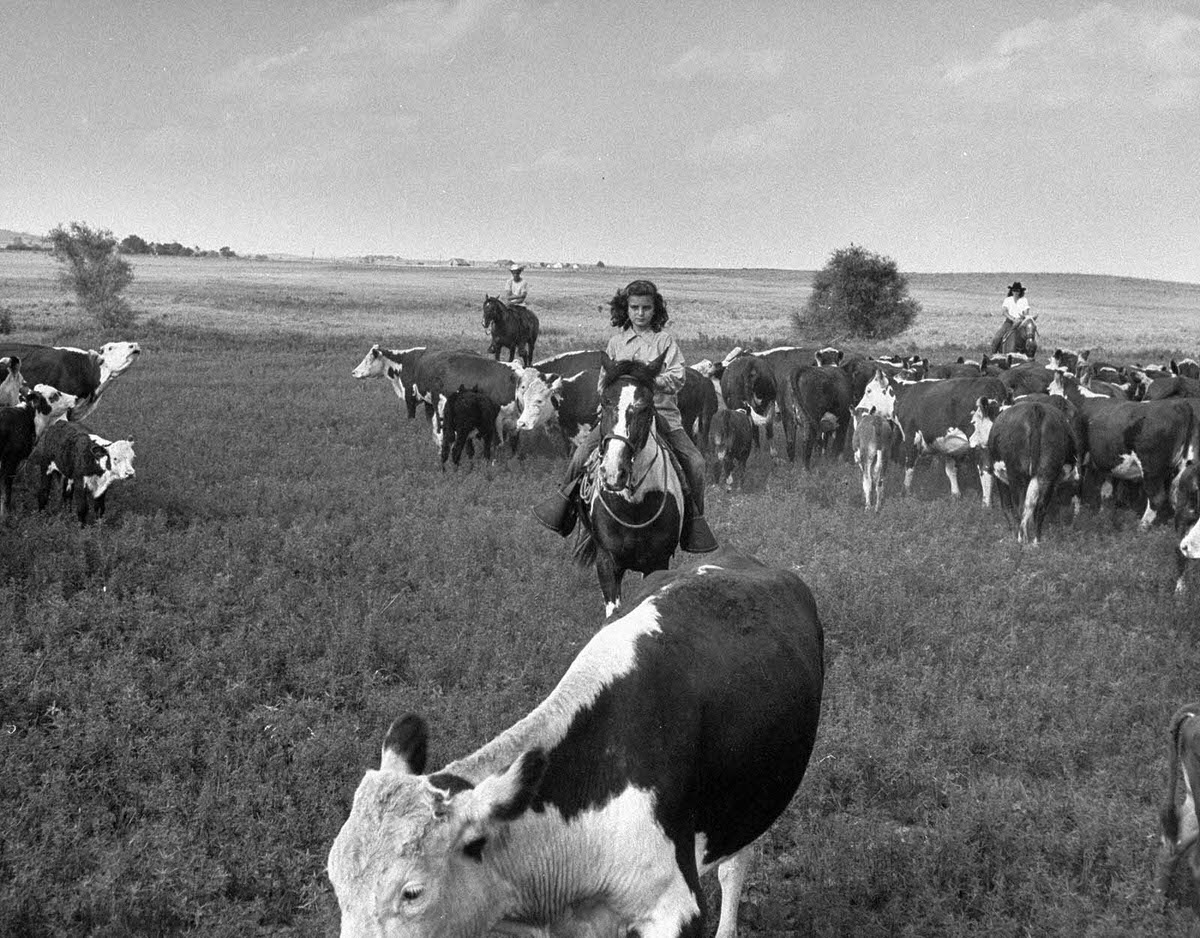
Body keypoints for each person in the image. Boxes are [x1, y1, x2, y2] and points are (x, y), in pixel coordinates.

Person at [531, 279, 717, 553]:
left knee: (696, 462)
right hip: (619, 415)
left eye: (646, 308)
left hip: (659, 412)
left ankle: (692, 524)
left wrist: (650, 383)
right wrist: (616, 397)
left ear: (655, 310)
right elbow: (603, 383)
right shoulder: (616, 343)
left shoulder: (664, 342)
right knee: (583, 452)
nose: (640, 313)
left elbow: (678, 376)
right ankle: (565, 506)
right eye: (634, 308)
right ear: (625, 309)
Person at [991, 280, 1031, 353]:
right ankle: (993, 355)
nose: (1016, 292)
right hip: (1009, 322)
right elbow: (1004, 311)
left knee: (1030, 337)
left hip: (1021, 323)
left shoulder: (1024, 300)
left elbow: (1026, 313)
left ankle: (1029, 354)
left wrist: (1021, 318)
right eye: (1014, 290)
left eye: (1017, 291)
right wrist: (1012, 319)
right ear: (1012, 291)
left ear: (1020, 291)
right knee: (997, 337)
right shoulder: (1008, 300)